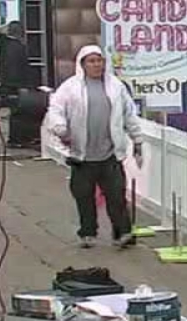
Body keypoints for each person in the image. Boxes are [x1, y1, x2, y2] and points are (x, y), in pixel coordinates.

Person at [42, 45, 145, 249]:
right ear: (82, 64)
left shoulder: (116, 87)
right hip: (82, 156)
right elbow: (55, 109)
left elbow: (129, 114)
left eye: (99, 60)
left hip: (110, 155)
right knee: (84, 197)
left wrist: (137, 139)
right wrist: (60, 127)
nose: (96, 65)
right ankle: (87, 233)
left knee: (116, 196)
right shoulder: (70, 88)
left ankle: (122, 232)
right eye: (91, 61)